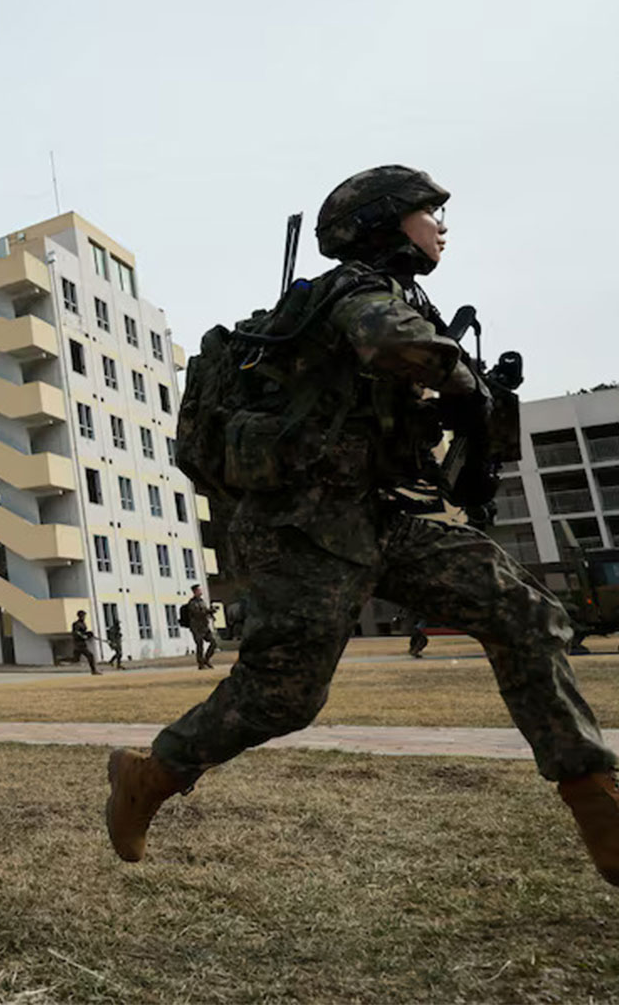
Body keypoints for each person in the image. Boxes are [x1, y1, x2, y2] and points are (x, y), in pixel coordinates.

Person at [105, 166, 619, 887]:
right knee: (282, 698)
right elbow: (388, 343)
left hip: (390, 513)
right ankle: (148, 777)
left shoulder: (410, 299)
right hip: (306, 527)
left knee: (523, 611)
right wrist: (464, 384)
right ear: (384, 222)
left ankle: (594, 796)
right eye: (427, 211)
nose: (440, 224)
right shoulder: (354, 290)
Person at [184, 585, 219, 669]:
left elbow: (205, 611)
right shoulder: (192, 603)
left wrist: (211, 613)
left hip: (204, 626)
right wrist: (208, 611)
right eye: (198, 590)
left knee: (213, 643)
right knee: (200, 645)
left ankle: (206, 659)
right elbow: (197, 613)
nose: (200, 592)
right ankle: (201, 664)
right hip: (197, 628)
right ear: (195, 592)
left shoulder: (202, 601)